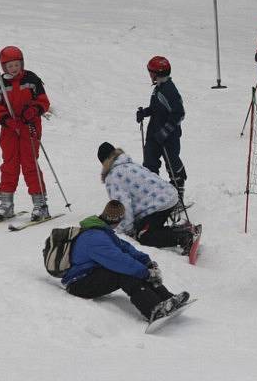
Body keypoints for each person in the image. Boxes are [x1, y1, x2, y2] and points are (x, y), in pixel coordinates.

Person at [62, 200, 190, 324]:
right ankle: (154, 310)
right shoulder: (94, 238)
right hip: (78, 283)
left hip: (91, 275)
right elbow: (119, 261)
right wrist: (146, 273)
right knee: (124, 272)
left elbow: (125, 248)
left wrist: (146, 261)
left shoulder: (102, 231)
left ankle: (167, 299)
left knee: (135, 269)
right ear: (118, 220)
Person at [97, 142, 194, 253]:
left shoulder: (113, 176)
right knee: (148, 227)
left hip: (159, 205)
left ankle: (183, 236)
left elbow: (123, 206)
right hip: (169, 195)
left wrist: (126, 232)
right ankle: (182, 229)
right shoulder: (129, 164)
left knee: (144, 236)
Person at [0, 46, 51, 222]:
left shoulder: (32, 80)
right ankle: (6, 203)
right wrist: (7, 120)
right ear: (3, 67)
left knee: (29, 162)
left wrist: (34, 110)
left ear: (22, 63)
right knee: (10, 164)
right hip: (9, 130)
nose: (14, 68)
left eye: (17, 64)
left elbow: (43, 102)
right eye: (10, 66)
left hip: (29, 127)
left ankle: (40, 204)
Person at [137, 56, 187, 201]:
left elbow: (179, 113)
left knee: (172, 162)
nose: (150, 75)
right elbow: (157, 108)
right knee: (149, 163)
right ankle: (155, 193)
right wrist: (145, 112)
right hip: (154, 133)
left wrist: (165, 131)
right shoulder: (159, 87)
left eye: (151, 72)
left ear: (157, 73)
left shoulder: (169, 90)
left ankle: (178, 194)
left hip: (168, 137)